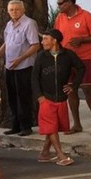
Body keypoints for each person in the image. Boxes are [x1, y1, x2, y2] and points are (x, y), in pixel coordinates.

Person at [52, 0, 91, 135]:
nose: (58, 6)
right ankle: (77, 124)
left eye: (60, 3)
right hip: (67, 59)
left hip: (85, 58)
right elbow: (57, 36)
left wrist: (82, 40)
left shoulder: (86, 16)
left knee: (88, 89)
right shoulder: (59, 18)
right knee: (70, 90)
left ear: (69, 2)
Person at [31, 29, 84, 166]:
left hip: (61, 98)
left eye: (45, 39)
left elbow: (81, 68)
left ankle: (44, 153)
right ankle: (60, 155)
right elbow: (34, 77)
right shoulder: (41, 56)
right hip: (46, 98)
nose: (42, 42)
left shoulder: (68, 55)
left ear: (54, 40)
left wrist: (74, 85)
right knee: (51, 127)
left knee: (54, 126)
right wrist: (39, 96)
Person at [0, 0, 41, 136]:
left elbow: (35, 45)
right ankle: (15, 125)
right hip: (10, 66)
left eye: (17, 9)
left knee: (23, 97)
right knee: (12, 97)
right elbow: (6, 43)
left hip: (24, 66)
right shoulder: (9, 24)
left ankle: (26, 126)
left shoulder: (29, 23)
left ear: (23, 10)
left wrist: (20, 59)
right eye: (11, 10)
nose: (14, 12)